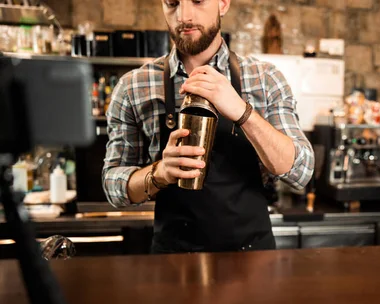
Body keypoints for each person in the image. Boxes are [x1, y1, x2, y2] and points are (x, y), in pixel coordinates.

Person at [102, 0, 314, 254]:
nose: (184, 15)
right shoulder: (133, 87)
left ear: (223, 4)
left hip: (253, 261)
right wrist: (159, 173)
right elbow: (112, 185)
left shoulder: (265, 79)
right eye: (172, 3)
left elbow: (300, 172)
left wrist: (242, 112)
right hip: (174, 263)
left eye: (198, 1)